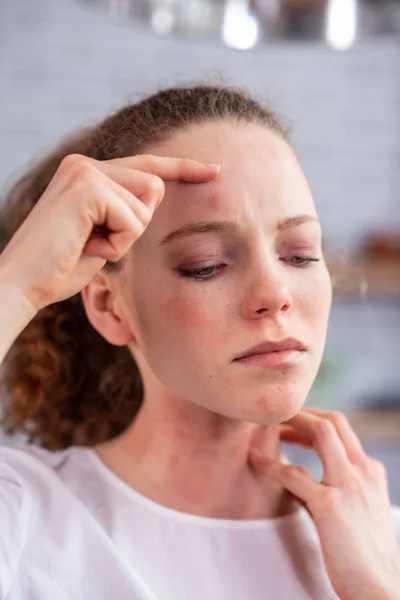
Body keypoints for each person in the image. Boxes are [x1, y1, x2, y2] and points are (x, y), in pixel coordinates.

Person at [0, 84, 399, 600]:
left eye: (300, 254)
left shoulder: (383, 542)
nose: (275, 294)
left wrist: (378, 588)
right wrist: (19, 281)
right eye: (206, 265)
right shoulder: (24, 519)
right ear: (109, 306)